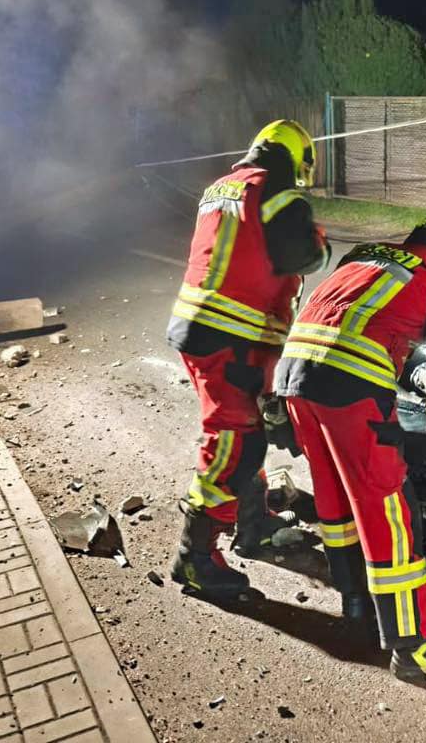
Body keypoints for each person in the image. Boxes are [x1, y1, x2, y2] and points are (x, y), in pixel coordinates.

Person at [275, 205, 426, 679]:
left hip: (295, 376)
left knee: (336, 495)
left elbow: (369, 321)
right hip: (348, 384)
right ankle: (417, 645)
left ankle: (357, 601)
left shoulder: (371, 255)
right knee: (388, 511)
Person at [167, 120, 331, 598]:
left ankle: (253, 523)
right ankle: (194, 558)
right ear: (297, 159)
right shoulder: (277, 192)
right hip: (230, 337)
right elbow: (302, 255)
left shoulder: (222, 186)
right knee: (234, 445)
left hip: (202, 327)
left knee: (247, 436)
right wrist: (318, 238)